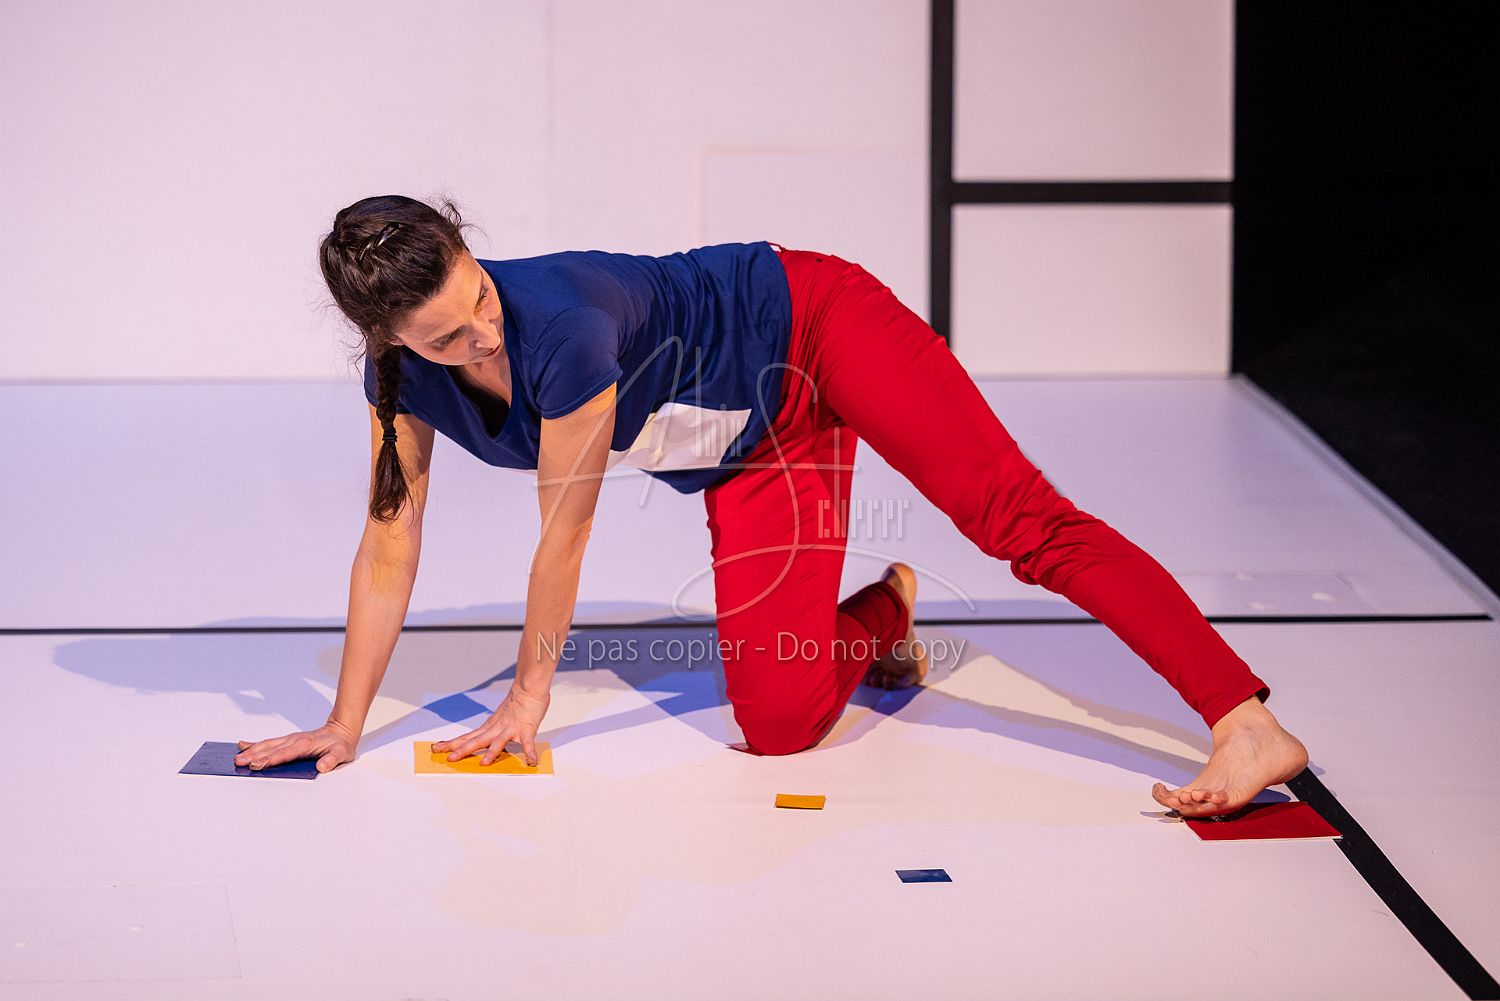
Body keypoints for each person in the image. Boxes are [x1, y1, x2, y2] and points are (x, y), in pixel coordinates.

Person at [235, 193, 1309, 818]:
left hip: (818, 325)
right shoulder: (399, 382)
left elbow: (565, 532)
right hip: (758, 446)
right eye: (446, 336)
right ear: (389, 341)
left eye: (478, 294)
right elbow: (389, 542)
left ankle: (1244, 721)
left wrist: (528, 697)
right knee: (781, 725)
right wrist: (345, 722)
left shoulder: (559, 325)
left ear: (473, 252)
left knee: (1015, 519)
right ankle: (885, 611)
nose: (483, 334)